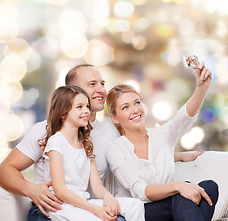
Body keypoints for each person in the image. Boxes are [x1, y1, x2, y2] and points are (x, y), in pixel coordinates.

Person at [0, 64, 203, 221]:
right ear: (72, 91)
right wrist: (30, 189)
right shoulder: (47, 131)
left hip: (91, 208)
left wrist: (176, 155)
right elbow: (5, 169)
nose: (101, 90)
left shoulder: (111, 131)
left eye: (102, 83)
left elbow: (135, 152)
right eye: (92, 84)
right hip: (54, 210)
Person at [106, 62, 219, 221]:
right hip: (142, 212)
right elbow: (141, 191)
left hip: (172, 206)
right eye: (125, 107)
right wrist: (178, 186)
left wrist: (202, 88)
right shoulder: (115, 149)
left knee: (209, 186)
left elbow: (185, 117)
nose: (135, 110)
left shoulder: (162, 136)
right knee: (183, 192)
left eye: (137, 102)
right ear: (115, 118)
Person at [40, 85, 144, 221]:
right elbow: (60, 190)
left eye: (87, 106)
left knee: (135, 205)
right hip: (62, 206)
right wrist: (96, 210)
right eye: (79, 107)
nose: (86, 111)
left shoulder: (85, 143)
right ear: (63, 113)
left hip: (84, 202)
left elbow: (97, 186)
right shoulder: (56, 142)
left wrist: (108, 198)